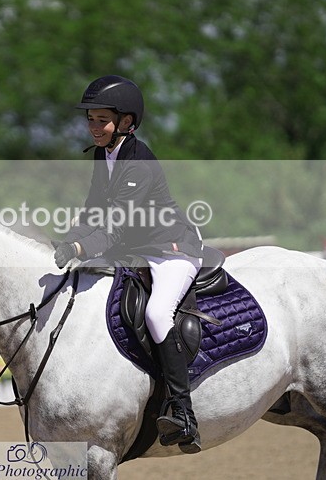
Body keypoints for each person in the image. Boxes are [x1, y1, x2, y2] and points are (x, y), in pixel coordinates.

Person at [53, 75, 205, 453]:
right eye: (90, 119)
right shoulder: (105, 155)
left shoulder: (138, 161)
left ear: (126, 122)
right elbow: (92, 212)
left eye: (101, 120)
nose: (93, 127)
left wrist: (79, 248)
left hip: (172, 249)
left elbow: (117, 226)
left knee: (156, 313)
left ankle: (182, 410)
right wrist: (68, 240)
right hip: (135, 253)